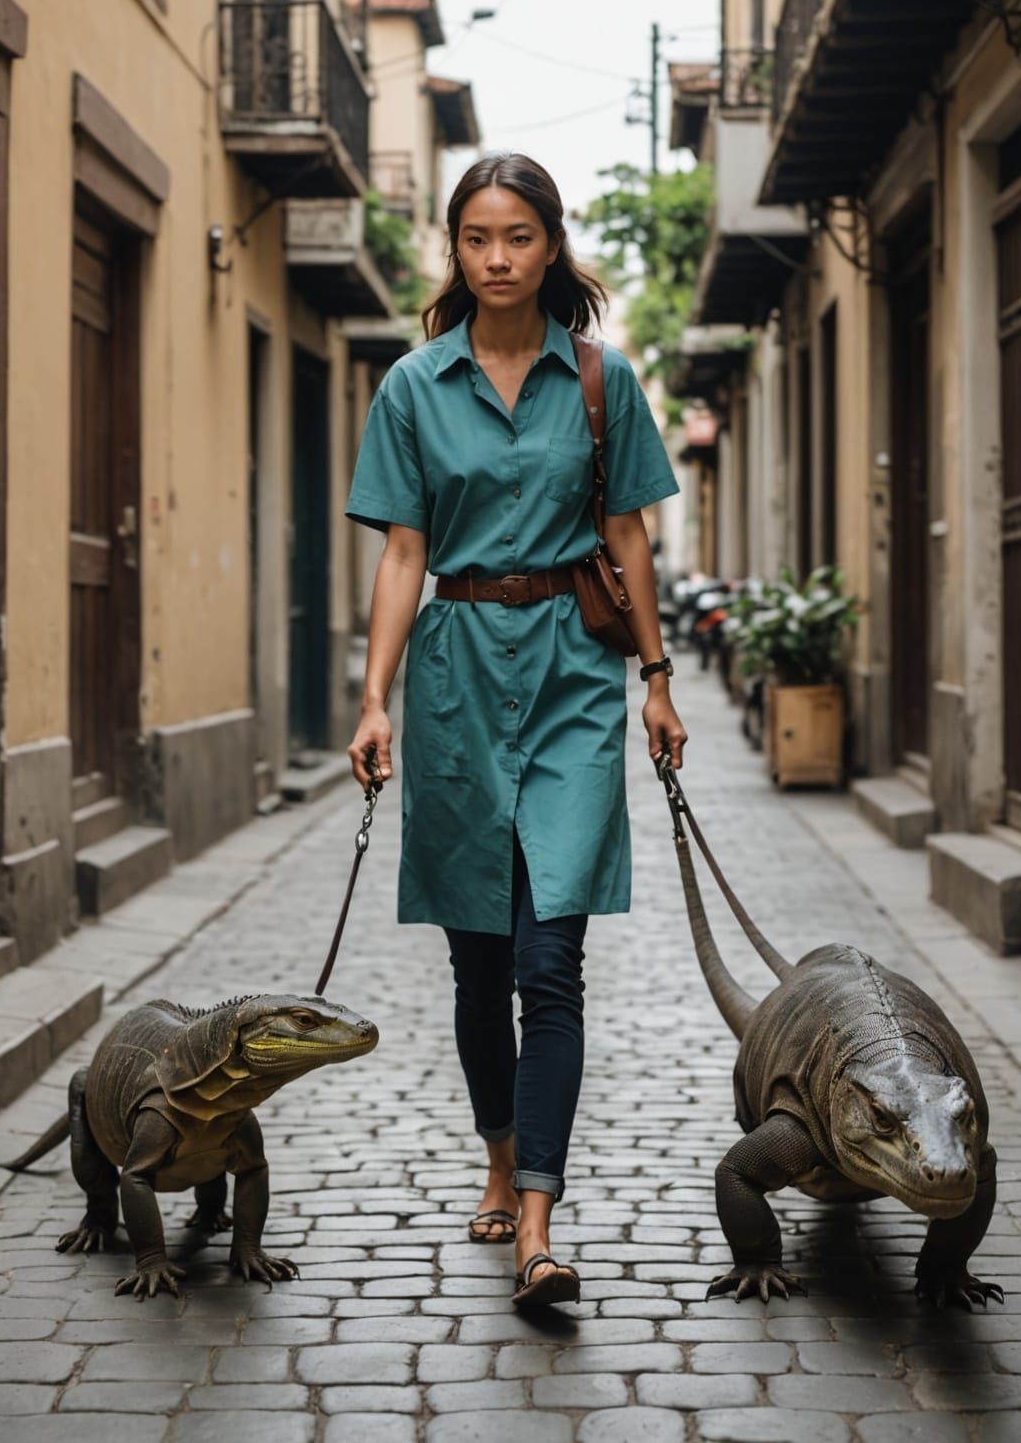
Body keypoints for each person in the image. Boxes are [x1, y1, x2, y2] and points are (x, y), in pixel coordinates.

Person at [344, 152, 687, 1309]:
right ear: (458, 249)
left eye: (519, 237)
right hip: (450, 682)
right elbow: (401, 553)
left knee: (552, 964)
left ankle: (537, 1216)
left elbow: (629, 536)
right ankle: (497, 1150)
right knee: (478, 962)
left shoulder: (603, 379)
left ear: (552, 246)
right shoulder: (413, 387)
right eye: (478, 238)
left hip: (575, 681)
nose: (498, 259)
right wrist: (374, 693)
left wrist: (655, 678)